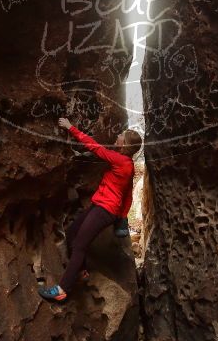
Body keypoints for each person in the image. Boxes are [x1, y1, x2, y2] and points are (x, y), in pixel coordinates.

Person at [38, 117, 143, 302]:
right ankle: (81, 271)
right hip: (103, 208)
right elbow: (128, 195)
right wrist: (122, 216)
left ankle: (62, 290)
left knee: (79, 245)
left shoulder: (120, 160)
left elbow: (94, 147)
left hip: (104, 210)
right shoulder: (129, 166)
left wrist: (71, 128)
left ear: (124, 145)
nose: (117, 135)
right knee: (72, 234)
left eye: (121, 136)